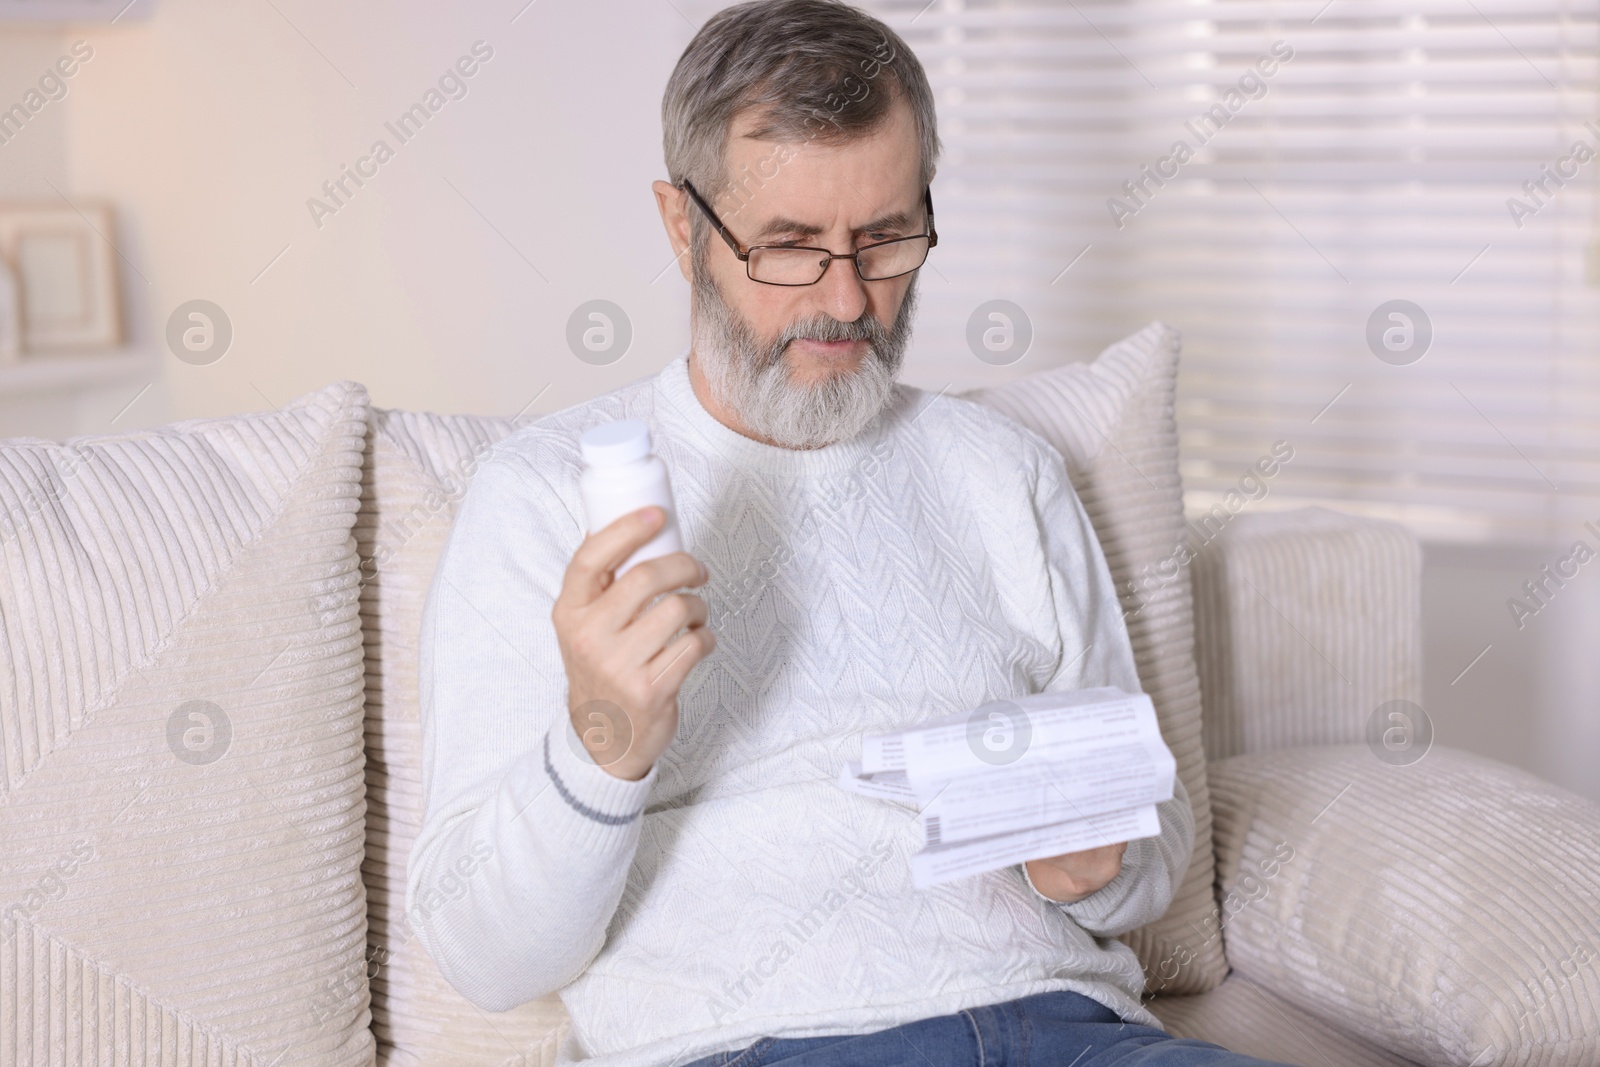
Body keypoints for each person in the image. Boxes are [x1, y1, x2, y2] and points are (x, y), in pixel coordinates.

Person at [408, 2, 1297, 1065]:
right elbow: (486, 957)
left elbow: (1150, 852)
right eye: (789, 247)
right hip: (753, 1040)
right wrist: (604, 743)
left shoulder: (1002, 473)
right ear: (682, 226)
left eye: (884, 239)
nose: (846, 299)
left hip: (1069, 1026)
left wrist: (1099, 863)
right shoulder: (544, 498)